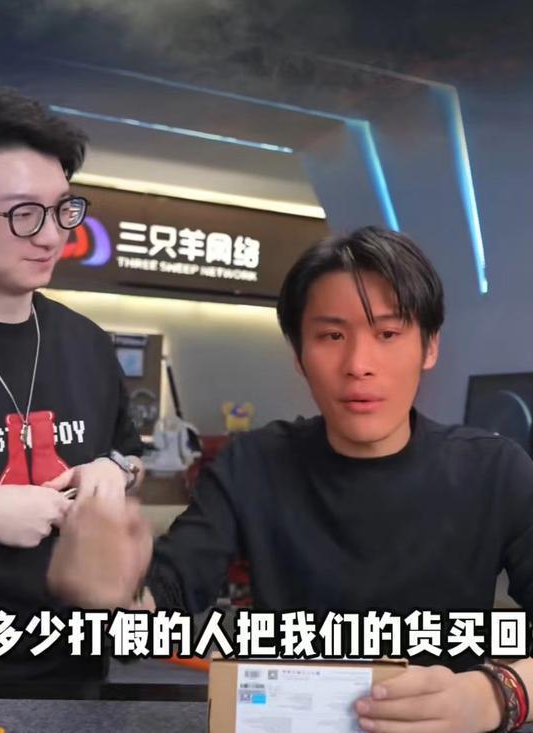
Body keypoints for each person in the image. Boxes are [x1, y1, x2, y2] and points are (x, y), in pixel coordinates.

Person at [49, 228, 533, 730]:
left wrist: (496, 695)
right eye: (331, 336)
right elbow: (167, 596)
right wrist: (113, 594)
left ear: (429, 347)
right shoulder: (253, 464)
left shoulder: (495, 471)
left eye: (388, 334)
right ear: (300, 356)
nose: (358, 365)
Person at [0, 86, 145, 682]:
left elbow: (128, 455)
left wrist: (115, 472)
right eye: (22, 213)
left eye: (63, 209)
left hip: (75, 670)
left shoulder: (86, 341)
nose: (50, 236)